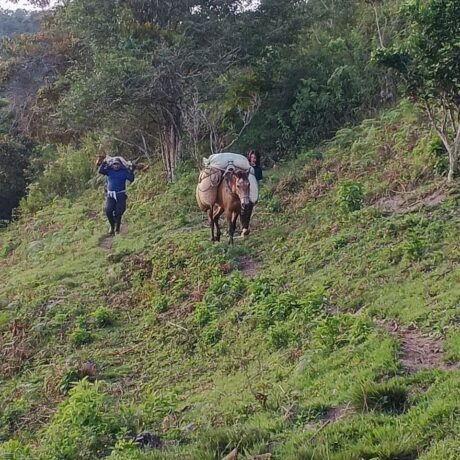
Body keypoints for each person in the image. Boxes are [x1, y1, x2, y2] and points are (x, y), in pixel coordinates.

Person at [96, 156, 135, 235]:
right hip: (110, 194)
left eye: (117, 164)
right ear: (112, 165)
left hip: (120, 194)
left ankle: (117, 227)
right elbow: (100, 171)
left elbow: (131, 179)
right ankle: (112, 226)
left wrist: (132, 170)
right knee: (108, 211)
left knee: (119, 212)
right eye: (114, 164)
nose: (116, 166)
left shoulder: (123, 172)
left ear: (120, 164)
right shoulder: (109, 171)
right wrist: (103, 162)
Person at [241, 149, 262, 236]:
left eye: (255, 158)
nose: (253, 159)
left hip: (253, 191)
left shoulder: (258, 169)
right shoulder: (245, 166)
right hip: (244, 190)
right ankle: (243, 227)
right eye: (252, 157)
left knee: (249, 209)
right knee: (243, 209)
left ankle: (245, 227)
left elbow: (258, 180)